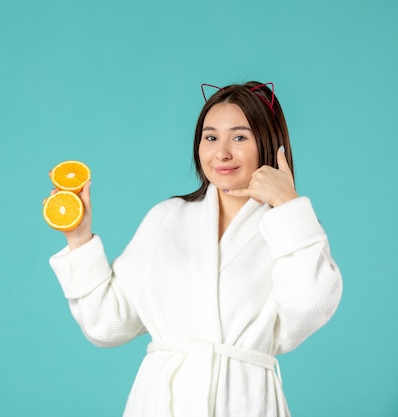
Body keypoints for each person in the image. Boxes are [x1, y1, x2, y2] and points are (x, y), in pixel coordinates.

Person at [45, 81, 343, 417]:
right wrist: (79, 237)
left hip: (244, 400)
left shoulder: (288, 227)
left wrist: (288, 204)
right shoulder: (167, 219)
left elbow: (309, 307)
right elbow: (107, 324)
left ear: (269, 143)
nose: (222, 153)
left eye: (240, 137)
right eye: (211, 137)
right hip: (161, 402)